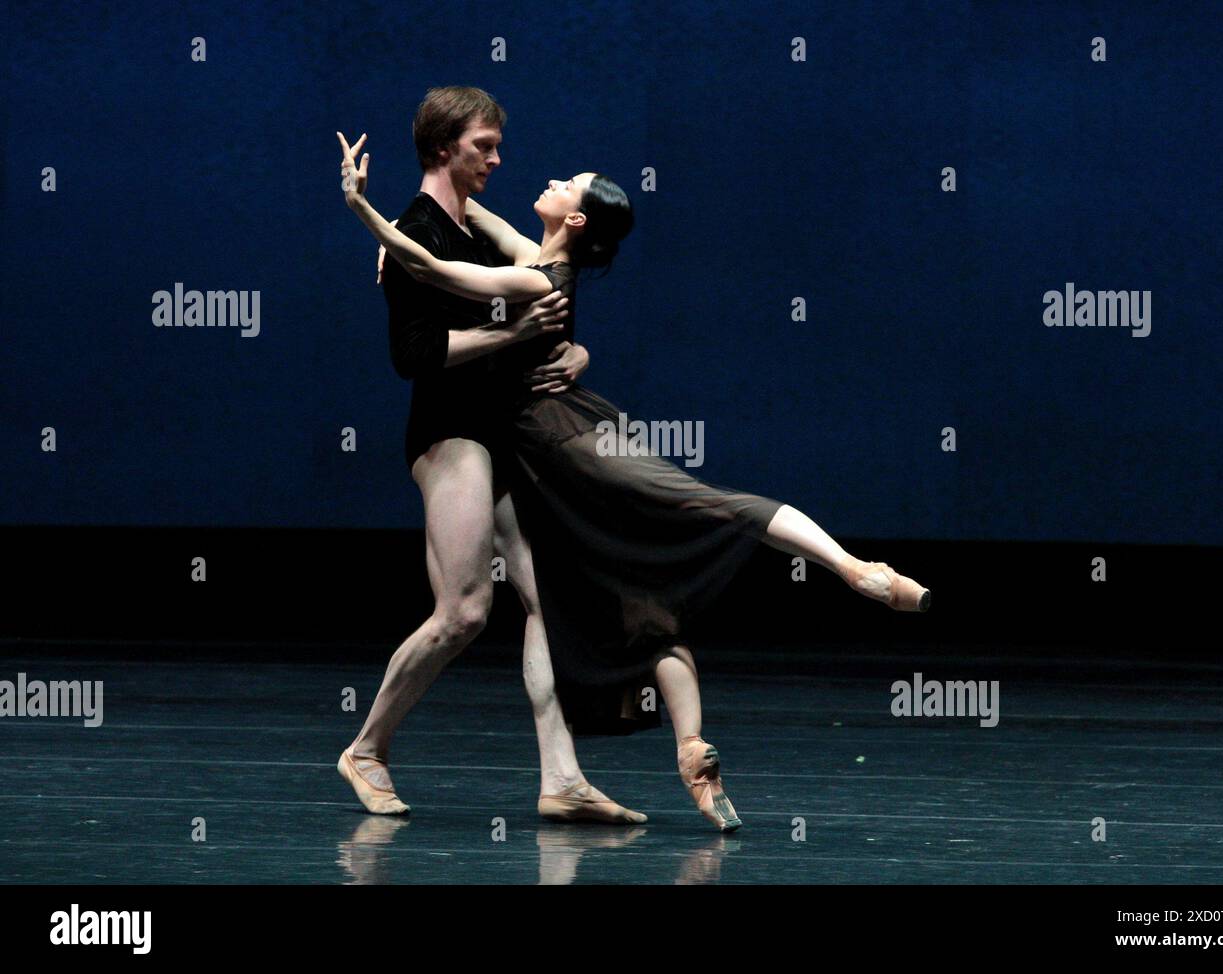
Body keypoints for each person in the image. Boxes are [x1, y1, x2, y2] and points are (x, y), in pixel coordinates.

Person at [339, 138, 932, 832]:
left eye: (567, 182)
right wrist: (403, 237)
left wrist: (364, 212)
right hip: (532, 448)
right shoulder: (536, 257)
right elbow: (469, 229)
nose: (548, 176)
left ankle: (853, 569)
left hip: (558, 442)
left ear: (578, 219)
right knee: (591, 600)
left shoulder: (536, 276)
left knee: (688, 511)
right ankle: (601, 769)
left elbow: (440, 266)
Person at [334, 87, 644, 825]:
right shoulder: (414, 232)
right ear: (444, 148)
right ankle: (366, 749)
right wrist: (511, 335)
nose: (498, 160)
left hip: (500, 427)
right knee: (465, 612)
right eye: (485, 147)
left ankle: (562, 777)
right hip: (452, 431)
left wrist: (573, 350)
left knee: (545, 602)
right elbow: (415, 357)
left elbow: (545, 295)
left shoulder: (471, 224)